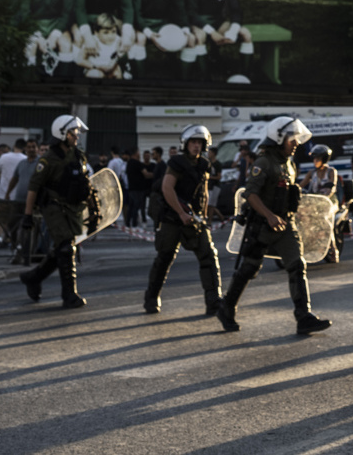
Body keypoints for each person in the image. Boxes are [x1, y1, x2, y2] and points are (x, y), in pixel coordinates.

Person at [216, 116, 332, 335]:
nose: (296, 143)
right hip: (262, 226)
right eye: (292, 138)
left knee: (297, 266)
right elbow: (250, 194)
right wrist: (269, 215)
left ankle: (303, 316)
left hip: (285, 224)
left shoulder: (288, 163)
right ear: (279, 138)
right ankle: (227, 306)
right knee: (249, 268)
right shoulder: (263, 163)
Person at [145, 124, 222, 315]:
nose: (196, 146)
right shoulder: (177, 163)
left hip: (195, 219)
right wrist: (181, 213)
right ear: (186, 144)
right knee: (165, 257)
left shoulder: (204, 164)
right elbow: (167, 188)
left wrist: (203, 216)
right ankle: (152, 298)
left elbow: (203, 192)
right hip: (173, 218)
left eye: (200, 142)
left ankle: (214, 301)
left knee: (208, 256)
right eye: (193, 142)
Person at [20, 115, 95, 309]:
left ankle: (33, 277)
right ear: (62, 133)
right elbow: (33, 188)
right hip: (53, 208)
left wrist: (94, 212)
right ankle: (69, 295)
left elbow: (87, 186)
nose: (77, 136)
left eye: (77, 132)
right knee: (66, 248)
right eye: (73, 132)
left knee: (63, 249)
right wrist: (27, 216)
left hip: (73, 209)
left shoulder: (79, 156)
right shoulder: (48, 160)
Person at [185, 0, 253, 81]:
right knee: (200, 37)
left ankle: (245, 77)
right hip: (198, 22)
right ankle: (205, 78)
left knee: (245, 33)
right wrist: (212, 33)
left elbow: (236, 10)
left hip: (217, 21)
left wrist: (233, 31)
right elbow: (191, 13)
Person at [301, 144, 342, 263]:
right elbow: (301, 184)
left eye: (317, 159)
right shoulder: (311, 172)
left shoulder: (331, 171)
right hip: (314, 202)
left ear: (324, 159)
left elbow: (332, 187)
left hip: (328, 202)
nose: (315, 161)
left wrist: (326, 193)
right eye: (314, 159)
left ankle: (334, 250)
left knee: (325, 220)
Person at [0, 139, 28, 262]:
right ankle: (16, 245)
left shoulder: (4, 157)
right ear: (24, 147)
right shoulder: (24, 159)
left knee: (1, 218)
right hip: (17, 196)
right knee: (16, 221)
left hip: (2, 194)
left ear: (14, 146)